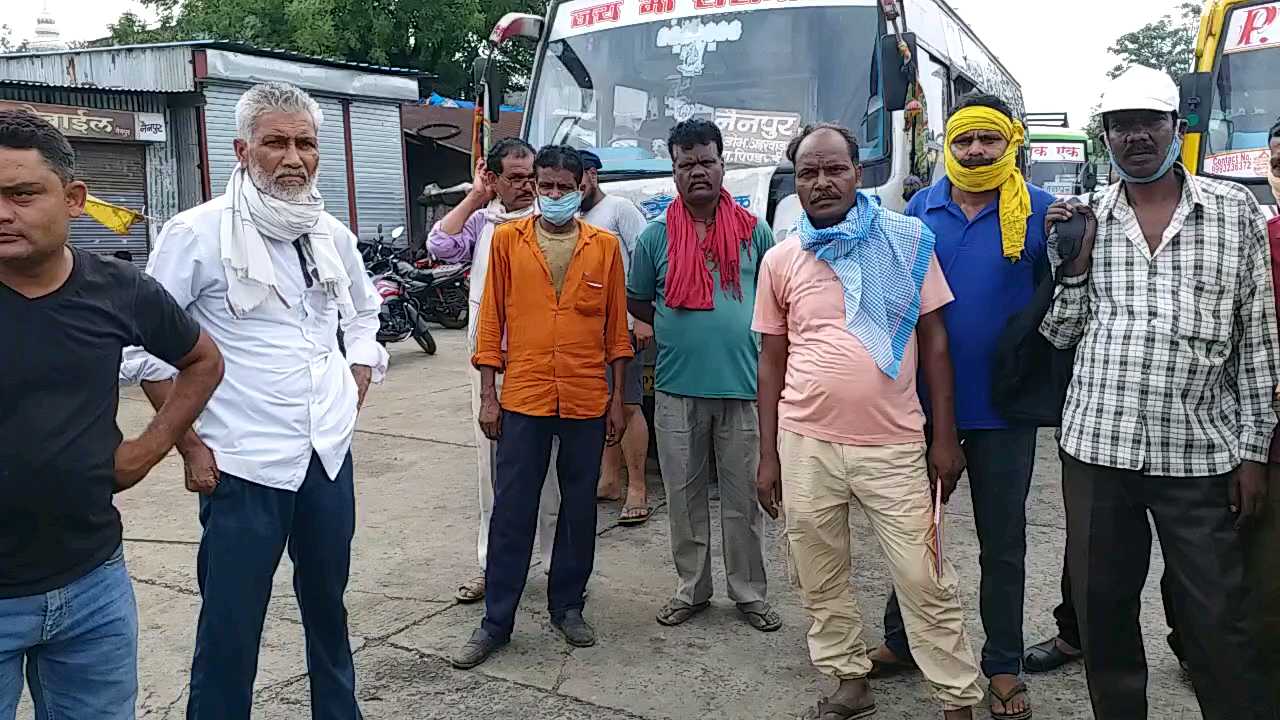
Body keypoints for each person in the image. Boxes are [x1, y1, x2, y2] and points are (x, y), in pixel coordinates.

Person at [119, 82, 388, 720]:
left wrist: (356, 378)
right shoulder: (197, 234)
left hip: (326, 456)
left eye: (306, 143)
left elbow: (365, 314)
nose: (293, 157)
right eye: (276, 142)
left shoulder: (329, 232)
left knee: (329, 607)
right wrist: (187, 443)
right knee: (231, 625)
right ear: (243, 149)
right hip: (241, 463)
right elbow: (144, 352)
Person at [1040, 65, 1278, 720]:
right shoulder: (1088, 219)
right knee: (1106, 618)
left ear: (1177, 128)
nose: (1135, 136)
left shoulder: (1234, 215)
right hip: (1097, 449)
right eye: (1120, 125)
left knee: (1215, 620)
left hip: (1199, 454)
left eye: (1149, 122)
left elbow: (1258, 343)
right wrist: (1075, 266)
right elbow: (1060, 335)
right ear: (1106, 138)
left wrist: (1253, 453)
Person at [754, 123, 982, 720]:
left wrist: (943, 437)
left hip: (895, 441)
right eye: (808, 173)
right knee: (817, 567)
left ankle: (957, 698)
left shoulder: (907, 241)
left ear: (858, 172)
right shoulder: (782, 259)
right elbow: (772, 357)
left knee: (924, 573)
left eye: (834, 169)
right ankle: (848, 680)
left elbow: (935, 343)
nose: (822, 182)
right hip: (805, 439)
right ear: (796, 183)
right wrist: (768, 454)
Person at [0, 110, 223, 718]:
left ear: (73, 199)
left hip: (91, 585)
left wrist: (149, 450)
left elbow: (202, 360)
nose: (2, 212)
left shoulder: (119, 289)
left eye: (21, 194)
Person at [869, 93, 1054, 720]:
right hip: (925, 411)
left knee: (1003, 545)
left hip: (1007, 412)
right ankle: (901, 641)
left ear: (1011, 144)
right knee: (916, 538)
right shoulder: (923, 207)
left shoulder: (1043, 215)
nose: (976, 151)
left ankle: (1003, 663)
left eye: (989, 140)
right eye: (966, 140)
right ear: (950, 144)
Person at [452, 145, 632, 669]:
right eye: (544, 185)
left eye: (562, 187)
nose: (551, 195)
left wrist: (618, 401)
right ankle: (496, 622)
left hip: (584, 397)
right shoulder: (507, 241)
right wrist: (489, 394)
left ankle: (568, 606)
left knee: (579, 508)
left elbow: (616, 332)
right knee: (512, 508)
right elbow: (491, 325)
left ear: (582, 188)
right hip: (524, 396)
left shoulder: (604, 247)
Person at [627, 119, 780, 632]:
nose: (697, 171)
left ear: (722, 165)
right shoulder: (653, 238)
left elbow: (775, 300)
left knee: (743, 500)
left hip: (744, 387)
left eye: (706, 161)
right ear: (673, 171)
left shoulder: (755, 232)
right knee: (684, 499)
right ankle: (691, 589)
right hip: (675, 389)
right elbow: (638, 300)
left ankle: (749, 593)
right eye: (685, 163)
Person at [427, 138, 561, 604]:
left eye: (532, 177)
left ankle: (552, 567)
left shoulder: (551, 223)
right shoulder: (484, 222)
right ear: (496, 179)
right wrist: (476, 196)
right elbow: (440, 244)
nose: (526, 187)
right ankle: (493, 565)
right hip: (488, 365)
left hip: (542, 365)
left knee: (548, 476)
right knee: (492, 472)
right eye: (515, 178)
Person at [579, 149, 653, 525]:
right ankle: (609, 480)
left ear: (591, 175)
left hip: (621, 327)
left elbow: (648, 259)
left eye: (576, 178)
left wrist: (642, 318)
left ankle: (637, 487)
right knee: (599, 406)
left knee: (627, 404)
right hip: (583, 331)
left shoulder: (619, 209)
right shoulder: (569, 217)